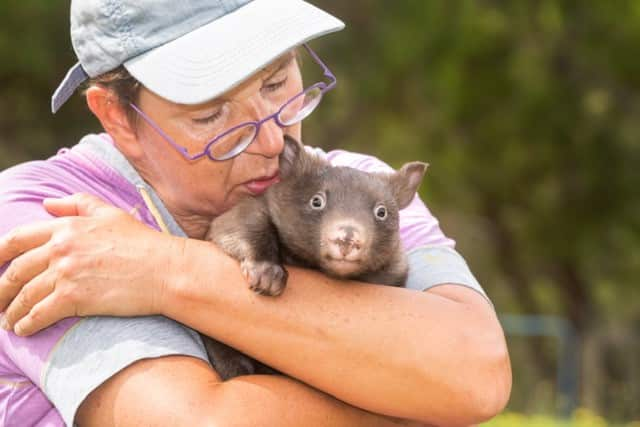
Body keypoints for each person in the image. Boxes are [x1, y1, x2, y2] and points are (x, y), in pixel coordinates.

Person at [0, 0, 511, 426]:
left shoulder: (357, 186)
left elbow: (477, 373)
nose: (272, 140)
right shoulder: (45, 216)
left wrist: (167, 269)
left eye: (276, 82)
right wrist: (413, 400)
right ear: (119, 118)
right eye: (211, 113)